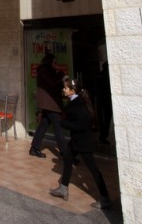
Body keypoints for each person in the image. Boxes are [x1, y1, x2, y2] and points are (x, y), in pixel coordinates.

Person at [50, 78, 112, 210]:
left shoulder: (79, 105)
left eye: (66, 88)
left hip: (83, 142)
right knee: (67, 158)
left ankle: (105, 198)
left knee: (93, 169)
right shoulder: (74, 102)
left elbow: (81, 125)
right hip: (76, 141)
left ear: (72, 91)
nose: (64, 90)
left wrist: (63, 123)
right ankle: (63, 188)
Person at [29, 53, 66, 158]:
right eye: (54, 62)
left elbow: (54, 84)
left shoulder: (49, 71)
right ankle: (65, 153)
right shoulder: (43, 70)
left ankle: (34, 148)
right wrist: (60, 74)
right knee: (58, 128)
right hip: (50, 105)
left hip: (49, 104)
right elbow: (52, 82)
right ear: (49, 61)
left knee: (43, 126)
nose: (56, 65)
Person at [94, 61, 112, 144]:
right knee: (106, 118)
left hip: (101, 99)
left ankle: (103, 136)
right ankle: (103, 136)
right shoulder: (107, 76)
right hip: (105, 99)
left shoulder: (99, 75)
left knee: (102, 118)